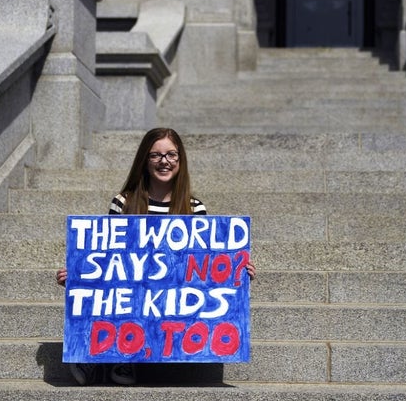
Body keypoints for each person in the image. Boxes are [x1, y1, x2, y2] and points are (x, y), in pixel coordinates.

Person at [56, 127, 256, 385]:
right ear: (145, 160)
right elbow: (107, 259)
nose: (164, 161)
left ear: (180, 161)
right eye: (156, 155)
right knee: (122, 287)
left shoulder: (195, 208)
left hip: (173, 293)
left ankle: (121, 357)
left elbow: (204, 266)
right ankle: (103, 357)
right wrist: (78, 276)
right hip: (133, 289)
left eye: (171, 155)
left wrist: (235, 271)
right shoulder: (123, 203)